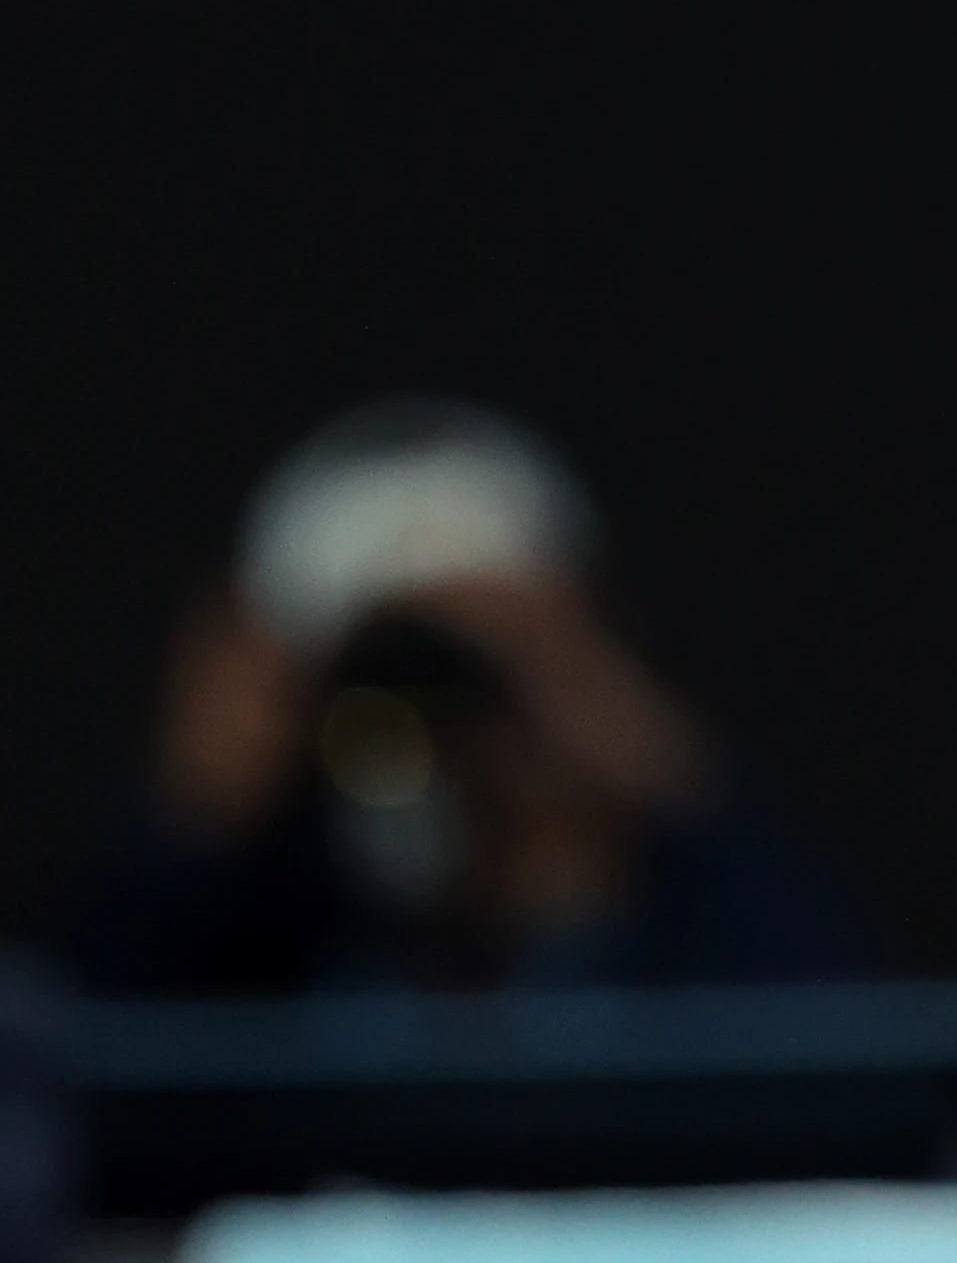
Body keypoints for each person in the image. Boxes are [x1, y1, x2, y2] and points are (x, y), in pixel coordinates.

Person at [70, 398, 867, 995]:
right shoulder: (255, 920)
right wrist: (190, 823)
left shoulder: (665, 906)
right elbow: (74, 1092)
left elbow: (849, 1073)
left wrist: (658, 785)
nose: (430, 712)